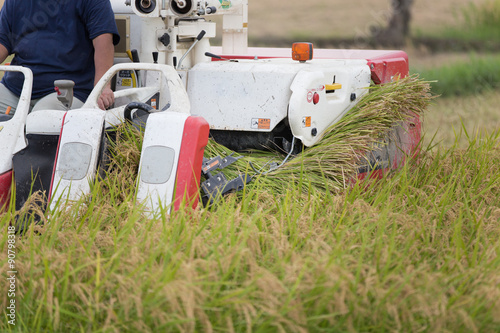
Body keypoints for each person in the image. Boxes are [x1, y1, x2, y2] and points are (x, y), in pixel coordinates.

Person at [0, 0, 120, 114]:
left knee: (42, 122)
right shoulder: (14, 2)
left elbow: (103, 43)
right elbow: (2, 43)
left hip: (69, 90)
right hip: (16, 89)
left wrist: (102, 88)